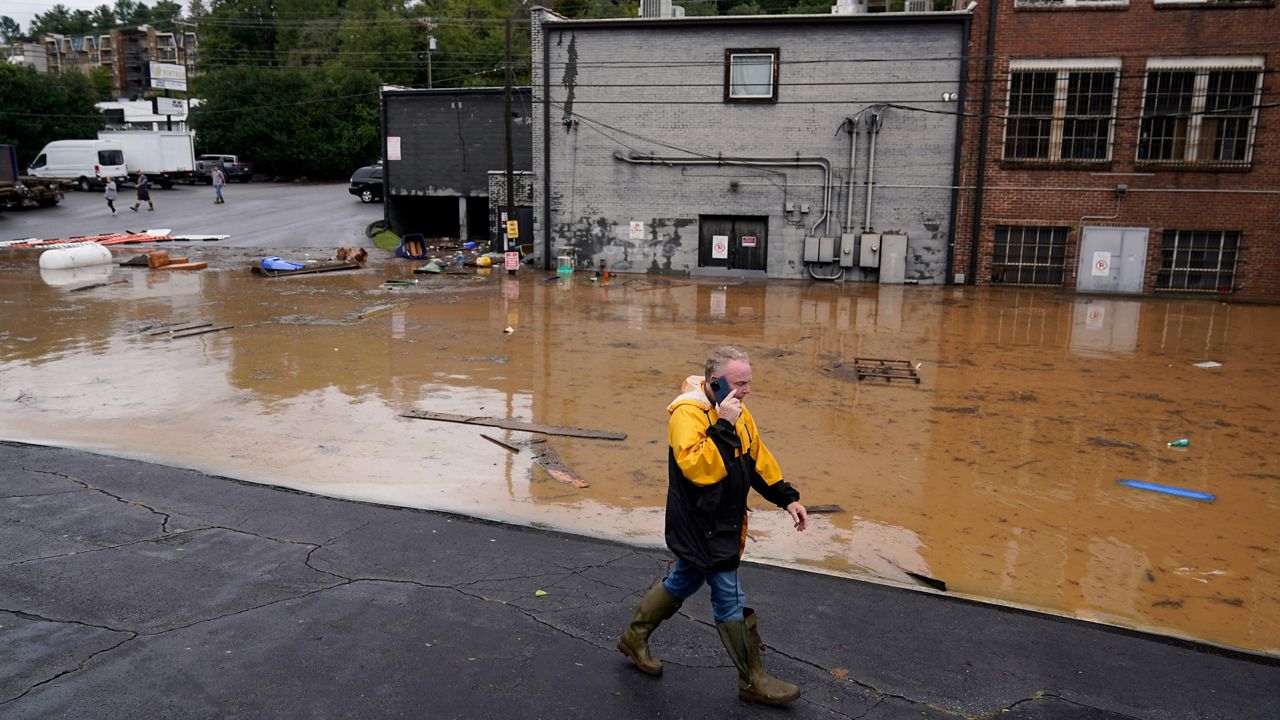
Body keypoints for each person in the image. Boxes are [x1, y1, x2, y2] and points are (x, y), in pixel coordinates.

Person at [617, 346, 808, 706]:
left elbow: (757, 458)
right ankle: (752, 679)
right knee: (729, 595)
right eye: (741, 383)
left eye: (750, 382)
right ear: (715, 383)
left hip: (723, 521)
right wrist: (724, 424)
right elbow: (700, 469)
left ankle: (634, 636)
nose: (747, 389)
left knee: (685, 578)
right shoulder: (686, 415)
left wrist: (787, 498)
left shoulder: (739, 412)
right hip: (700, 525)